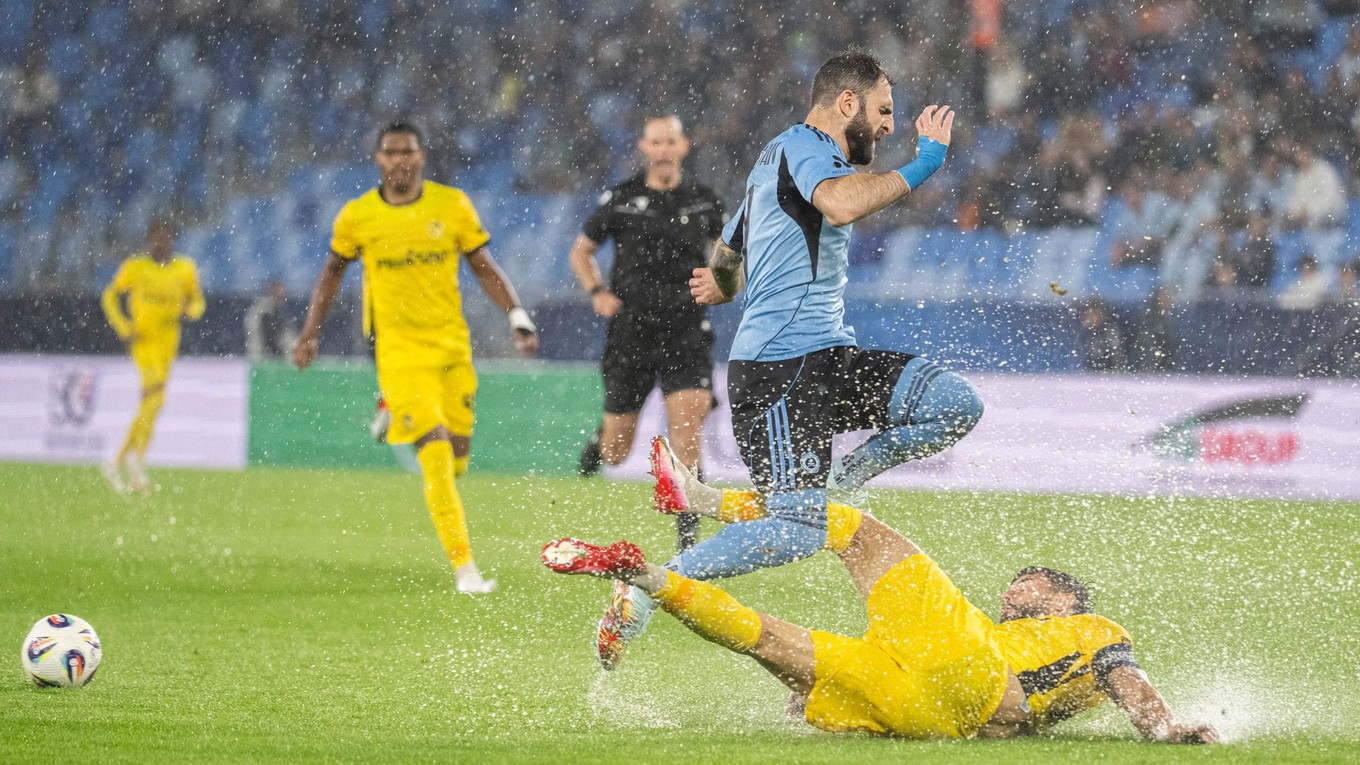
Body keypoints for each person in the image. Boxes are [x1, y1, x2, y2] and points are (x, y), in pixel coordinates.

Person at [592, 49, 984, 670]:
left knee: (956, 404)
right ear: (846, 104)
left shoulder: (775, 156)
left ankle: (838, 482)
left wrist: (721, 284)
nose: (889, 126)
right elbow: (842, 205)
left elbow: (729, 246)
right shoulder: (804, 148)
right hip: (778, 370)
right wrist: (926, 162)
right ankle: (647, 585)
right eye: (883, 111)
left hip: (826, 356)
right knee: (799, 527)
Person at [542, 444, 1218, 744]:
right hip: (930, 714)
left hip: (968, 674)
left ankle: (699, 500)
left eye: (1033, 581)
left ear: (1067, 600)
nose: (1016, 585)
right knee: (766, 638)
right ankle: (650, 579)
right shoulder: (1005, 635)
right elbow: (1025, 713)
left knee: (854, 528)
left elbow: (1123, 675)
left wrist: (1163, 726)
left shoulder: (1093, 626)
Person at [292, 121, 538, 595]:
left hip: (450, 347)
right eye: (390, 152)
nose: (399, 160)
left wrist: (516, 316)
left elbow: (483, 267)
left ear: (421, 157)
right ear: (378, 159)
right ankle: (465, 569)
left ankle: (387, 407)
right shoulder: (357, 217)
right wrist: (309, 334)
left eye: (407, 152)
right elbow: (330, 274)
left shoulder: (451, 206)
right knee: (437, 453)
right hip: (398, 351)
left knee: (460, 458)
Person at [568, 115, 725, 551]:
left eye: (670, 141)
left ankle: (688, 540)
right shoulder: (621, 199)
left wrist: (724, 284)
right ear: (644, 147)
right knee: (619, 451)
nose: (663, 149)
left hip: (686, 330)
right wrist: (596, 291)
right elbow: (581, 251)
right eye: (656, 142)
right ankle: (600, 441)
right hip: (631, 332)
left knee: (686, 432)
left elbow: (727, 256)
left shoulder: (704, 200)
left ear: (684, 146)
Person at [99, 217, 205, 495]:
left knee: (155, 402)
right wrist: (123, 326)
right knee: (155, 395)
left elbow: (198, 302)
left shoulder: (185, 268)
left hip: (169, 344)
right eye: (156, 236)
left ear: (172, 239)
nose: (161, 242)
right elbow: (109, 297)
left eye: (165, 236)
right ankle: (129, 462)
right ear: (149, 240)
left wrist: (189, 311)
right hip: (143, 343)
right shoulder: (135, 267)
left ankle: (125, 463)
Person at [244, 280, 295, 362]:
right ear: (271, 293)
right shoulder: (260, 311)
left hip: (278, 356)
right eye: (278, 294)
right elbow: (254, 336)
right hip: (264, 356)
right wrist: (257, 359)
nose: (282, 296)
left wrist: (290, 357)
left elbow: (288, 337)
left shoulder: (282, 311)